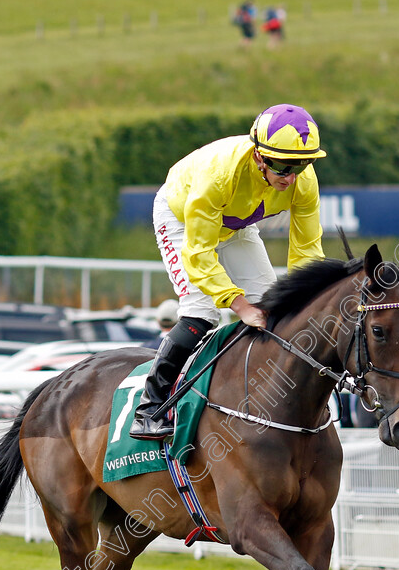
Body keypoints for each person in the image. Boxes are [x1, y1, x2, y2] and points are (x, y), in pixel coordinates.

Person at [130, 103, 327, 440]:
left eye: (302, 165)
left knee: (275, 310)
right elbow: (199, 253)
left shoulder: (302, 182)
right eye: (282, 166)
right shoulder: (220, 174)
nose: (291, 176)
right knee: (202, 311)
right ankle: (150, 407)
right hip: (181, 219)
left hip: (237, 224)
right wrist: (239, 306)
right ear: (260, 157)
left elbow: (307, 253)